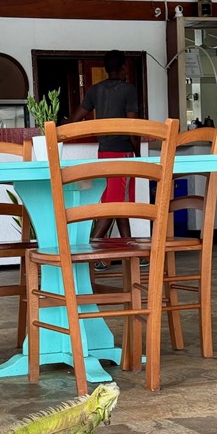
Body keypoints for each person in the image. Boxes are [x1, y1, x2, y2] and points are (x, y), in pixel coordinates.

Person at [68, 50, 142, 271]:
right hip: (122, 153)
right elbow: (132, 127)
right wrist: (137, 153)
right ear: (123, 68)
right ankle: (89, 249)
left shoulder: (95, 90)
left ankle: (130, 251)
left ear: (106, 69)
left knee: (118, 203)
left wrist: (58, 128)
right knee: (115, 205)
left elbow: (75, 118)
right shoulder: (129, 90)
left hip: (104, 154)